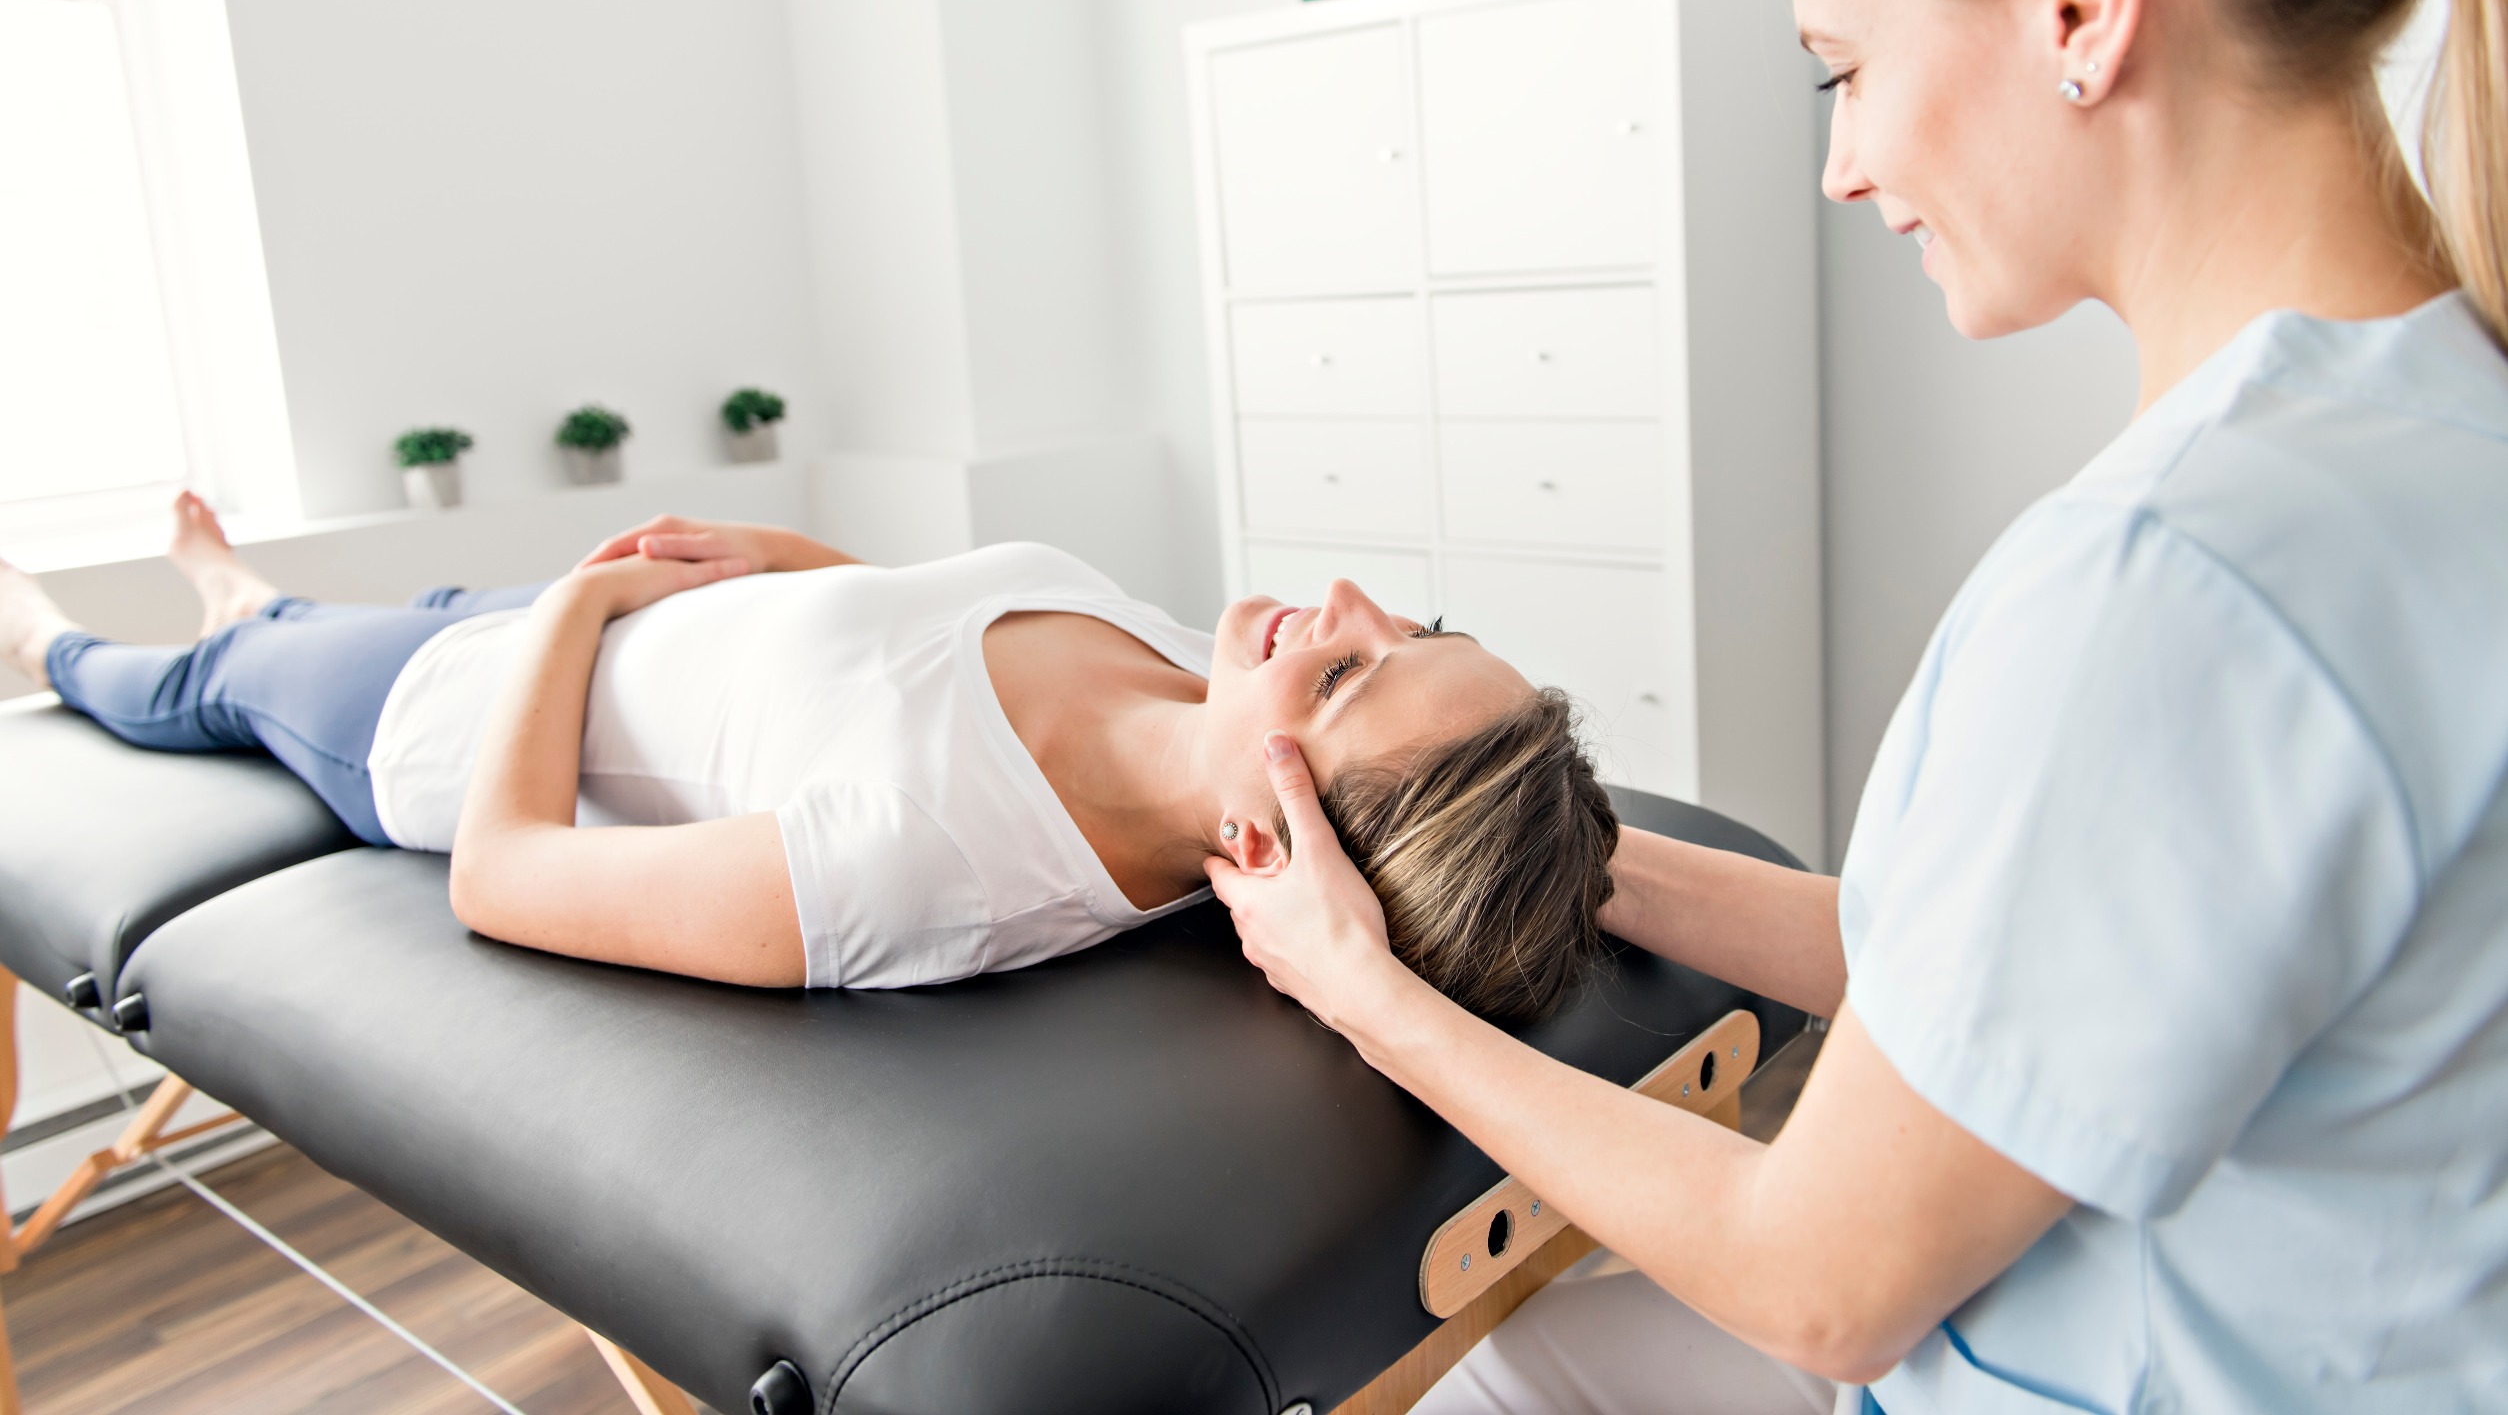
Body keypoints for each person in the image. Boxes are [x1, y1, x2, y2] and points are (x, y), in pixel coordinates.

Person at [1206, 0, 2508, 1411]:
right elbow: (1981, 982)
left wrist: (1364, 997)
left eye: (1847, 70)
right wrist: (1587, 860)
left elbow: (1822, 1288)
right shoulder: (2428, 419)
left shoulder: (2174, 583)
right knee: (1528, 1361)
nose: (1844, 166)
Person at [0, 497, 1614, 1016]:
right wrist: (776, 554)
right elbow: (904, 646)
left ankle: (52, 647)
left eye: (1343, 677)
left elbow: (500, 878)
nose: (1342, 603)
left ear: (1276, 851)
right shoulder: (1192, 681)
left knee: (217, 680)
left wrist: (578, 606)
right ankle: (247, 587)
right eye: (1405, 628)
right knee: (326, 608)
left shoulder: (932, 869)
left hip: (443, 716)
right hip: (603, 625)